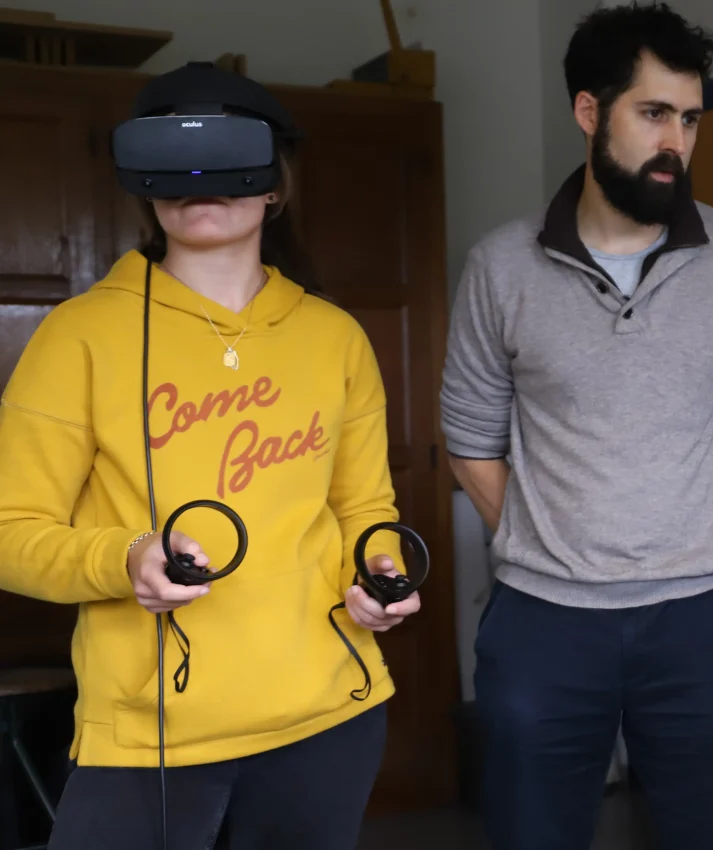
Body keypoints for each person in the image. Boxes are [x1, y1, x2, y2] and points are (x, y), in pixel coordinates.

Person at [0, 62, 418, 850]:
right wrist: (125, 558)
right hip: (147, 737)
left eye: (228, 150)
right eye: (175, 149)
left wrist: (377, 575)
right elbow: (9, 531)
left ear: (275, 184)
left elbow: (364, 509)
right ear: (142, 176)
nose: (202, 176)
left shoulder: (335, 338)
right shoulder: (77, 338)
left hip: (330, 720)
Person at [437, 3, 713, 848]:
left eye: (691, 118)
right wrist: (549, 539)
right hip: (543, 622)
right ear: (589, 111)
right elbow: (471, 439)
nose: (676, 140)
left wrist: (689, 529)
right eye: (654, 113)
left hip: (699, 617)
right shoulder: (500, 265)